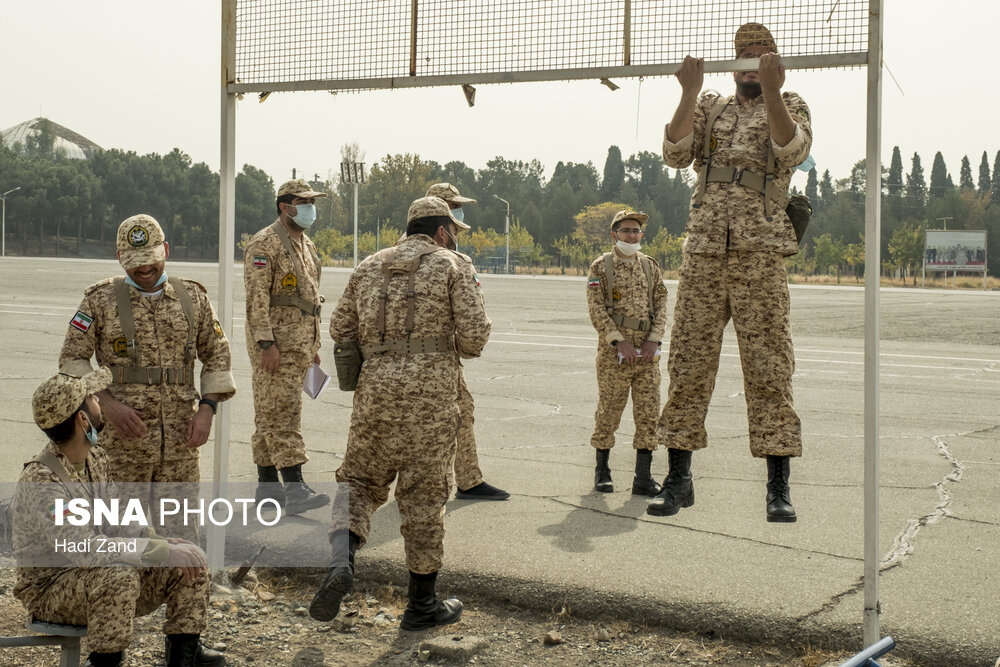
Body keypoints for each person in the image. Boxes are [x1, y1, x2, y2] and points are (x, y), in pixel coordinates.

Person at [649, 23, 811, 522]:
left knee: (769, 368)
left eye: (762, 55)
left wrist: (774, 90)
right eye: (746, 56)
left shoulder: (791, 103)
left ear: (774, 60)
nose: (753, 62)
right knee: (688, 365)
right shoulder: (711, 106)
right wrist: (689, 92)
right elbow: (675, 154)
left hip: (758, 254)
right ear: (734, 61)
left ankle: (778, 486)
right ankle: (678, 478)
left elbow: (791, 150)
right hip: (703, 255)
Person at [310, 196, 491, 630]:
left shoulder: (369, 265)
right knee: (425, 497)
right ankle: (421, 606)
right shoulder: (453, 264)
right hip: (430, 399)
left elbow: (339, 328)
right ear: (442, 231)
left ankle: (342, 561)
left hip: (375, 394)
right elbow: (474, 337)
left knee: (358, 481)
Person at [12, 368, 224, 667]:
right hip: (51, 589)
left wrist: (157, 540)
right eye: (92, 398)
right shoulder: (43, 481)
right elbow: (85, 549)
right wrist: (157, 551)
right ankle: (105, 662)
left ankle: (184, 657)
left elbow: (117, 518)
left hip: (94, 577)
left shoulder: (94, 458)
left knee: (190, 559)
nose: (99, 400)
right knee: (118, 574)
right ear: (82, 419)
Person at [58, 214, 236, 539]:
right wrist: (106, 403)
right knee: (124, 540)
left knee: (182, 540)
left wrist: (207, 410)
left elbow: (217, 355)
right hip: (122, 449)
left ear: (166, 249)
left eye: (150, 260)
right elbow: (72, 360)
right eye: (134, 262)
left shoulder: (193, 297)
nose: (143, 269)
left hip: (181, 449)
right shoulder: (98, 300)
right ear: (119, 258)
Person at [243, 179, 331, 515]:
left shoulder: (305, 244)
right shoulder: (265, 243)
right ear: (284, 206)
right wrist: (266, 343)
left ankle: (267, 489)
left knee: (268, 415)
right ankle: (294, 490)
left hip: (299, 345)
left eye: (312, 201)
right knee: (282, 416)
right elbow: (256, 299)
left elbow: (307, 298)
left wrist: (313, 344)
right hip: (275, 347)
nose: (310, 207)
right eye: (303, 201)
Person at [425, 182, 509, 501]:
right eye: (453, 207)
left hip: (439, 354)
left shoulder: (447, 255)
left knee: (463, 409)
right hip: (433, 356)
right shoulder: (446, 259)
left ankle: (468, 479)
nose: (459, 214)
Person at [586, 210, 668, 496]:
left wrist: (654, 341)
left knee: (648, 413)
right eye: (626, 231)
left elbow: (662, 306)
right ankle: (602, 471)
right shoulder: (602, 267)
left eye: (636, 231)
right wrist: (618, 342)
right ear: (614, 234)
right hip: (614, 357)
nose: (632, 236)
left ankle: (643, 477)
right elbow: (596, 310)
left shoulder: (650, 266)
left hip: (646, 356)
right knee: (609, 412)